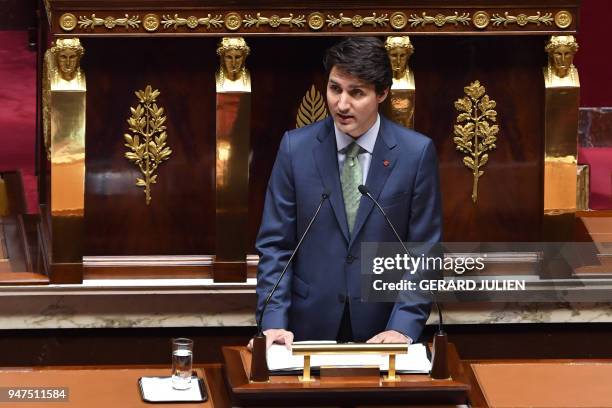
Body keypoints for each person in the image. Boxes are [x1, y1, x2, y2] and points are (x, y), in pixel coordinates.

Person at [255, 37, 442, 349]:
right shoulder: (295, 149)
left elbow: (424, 251)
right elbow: (276, 245)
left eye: (356, 93)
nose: (341, 104)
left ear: (381, 93)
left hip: (383, 331)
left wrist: (403, 326)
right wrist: (273, 321)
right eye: (335, 88)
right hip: (302, 331)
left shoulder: (416, 153)